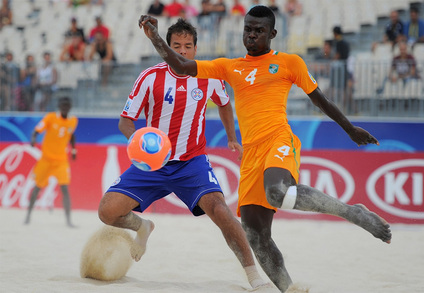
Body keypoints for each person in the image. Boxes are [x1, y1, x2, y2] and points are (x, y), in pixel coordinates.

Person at [139, 6, 392, 292]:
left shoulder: (289, 62)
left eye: (259, 30)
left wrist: (350, 129)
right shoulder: (229, 66)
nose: (252, 35)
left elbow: (319, 100)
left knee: (277, 191)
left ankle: (352, 212)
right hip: (251, 155)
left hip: (278, 141)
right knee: (256, 234)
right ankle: (288, 289)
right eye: (248, 29)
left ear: (272, 34)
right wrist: (155, 37)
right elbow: (182, 66)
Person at [97, 18, 266, 290]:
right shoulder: (150, 77)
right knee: (107, 212)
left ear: (195, 49)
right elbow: (125, 121)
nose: (182, 51)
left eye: (188, 46)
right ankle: (143, 226)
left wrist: (233, 138)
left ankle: (254, 277)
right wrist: (137, 140)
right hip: (152, 163)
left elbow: (224, 104)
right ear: (166, 47)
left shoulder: (209, 76)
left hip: (191, 163)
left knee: (222, 211)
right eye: (176, 45)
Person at [25, 97, 78, 227]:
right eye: (63, 105)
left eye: (67, 106)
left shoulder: (73, 120)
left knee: (65, 188)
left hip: (61, 160)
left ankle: (68, 221)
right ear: (59, 106)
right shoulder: (50, 117)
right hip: (46, 160)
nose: (65, 108)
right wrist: (33, 139)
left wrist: (73, 150)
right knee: (37, 187)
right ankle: (28, 216)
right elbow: (37, 130)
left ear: (70, 107)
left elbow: (71, 135)